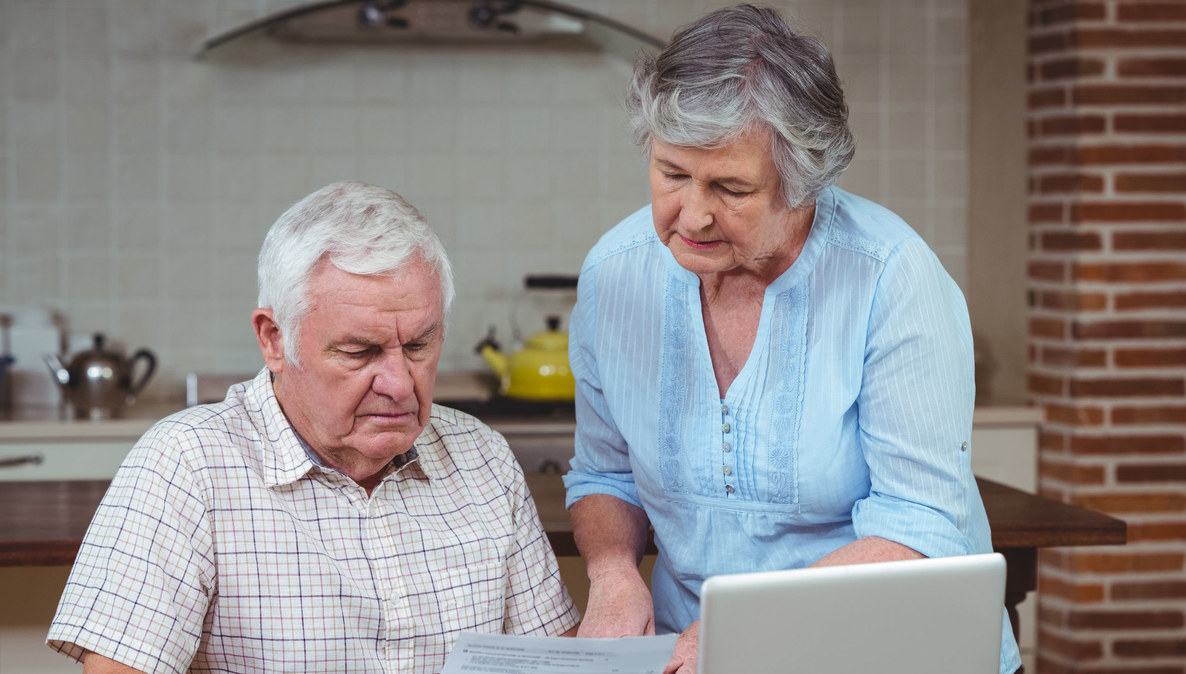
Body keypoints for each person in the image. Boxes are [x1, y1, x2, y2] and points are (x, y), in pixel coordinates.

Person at [563, 5, 1021, 674]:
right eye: (672, 174)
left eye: (730, 187)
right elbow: (604, 474)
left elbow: (917, 525)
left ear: (804, 182)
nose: (691, 214)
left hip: (884, 652)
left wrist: (744, 632)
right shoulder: (615, 273)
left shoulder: (890, 278)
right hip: (697, 654)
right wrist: (611, 573)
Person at [47, 181, 579, 673]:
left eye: (418, 345)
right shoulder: (186, 466)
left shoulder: (482, 455)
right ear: (275, 339)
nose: (398, 383)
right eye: (358, 351)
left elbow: (554, 658)